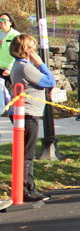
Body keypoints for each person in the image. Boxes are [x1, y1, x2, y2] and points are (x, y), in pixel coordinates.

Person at [8, 34, 54, 202]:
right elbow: (49, 81)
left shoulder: (19, 65)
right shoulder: (25, 67)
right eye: (33, 47)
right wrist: (40, 63)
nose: (35, 50)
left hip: (25, 112)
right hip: (27, 114)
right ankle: (27, 189)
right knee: (27, 154)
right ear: (26, 50)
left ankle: (27, 187)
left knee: (25, 152)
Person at [0, 12, 21, 86]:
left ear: (10, 22)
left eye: (4, 20)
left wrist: (10, 68)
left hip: (12, 68)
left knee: (17, 89)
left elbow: (19, 53)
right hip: (0, 68)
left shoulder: (16, 35)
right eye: (0, 20)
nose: (2, 22)